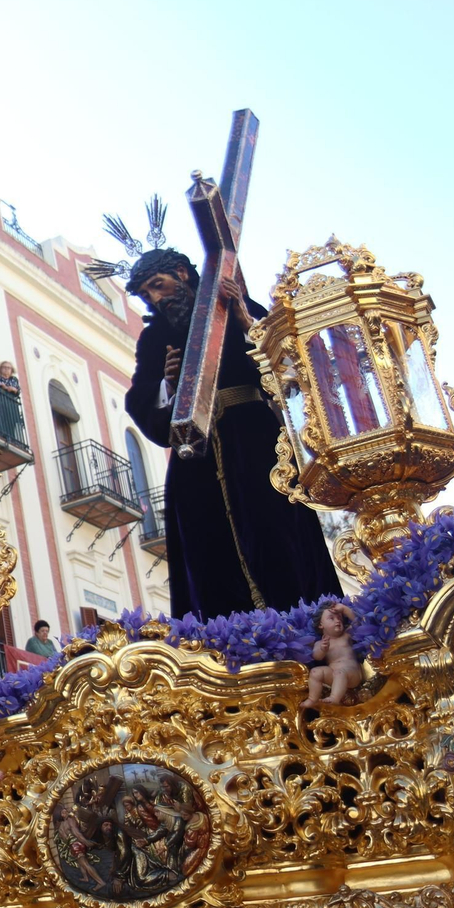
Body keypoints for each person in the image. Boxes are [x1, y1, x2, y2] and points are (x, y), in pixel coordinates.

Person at [111, 198, 339, 619]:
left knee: (278, 537)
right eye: (146, 294)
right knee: (207, 553)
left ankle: (304, 631)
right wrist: (168, 383)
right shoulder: (155, 337)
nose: (154, 299)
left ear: (182, 274)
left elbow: (287, 365)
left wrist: (238, 317)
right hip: (196, 458)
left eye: (158, 285)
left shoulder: (237, 304)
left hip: (256, 443)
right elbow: (140, 401)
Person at [303, 603, 362, 708]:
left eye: (339, 618)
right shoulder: (320, 643)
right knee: (315, 672)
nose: (337, 620)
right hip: (333, 674)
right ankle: (312, 698)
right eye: (331, 618)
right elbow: (317, 657)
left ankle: (334, 698)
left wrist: (344, 609)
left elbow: (359, 622)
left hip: (352, 673)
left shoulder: (347, 635)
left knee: (340, 673)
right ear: (321, 625)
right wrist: (323, 649)